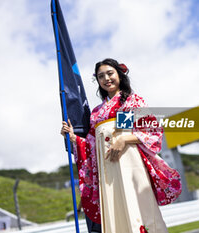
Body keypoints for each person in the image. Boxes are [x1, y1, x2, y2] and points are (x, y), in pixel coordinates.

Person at [61, 58, 182, 233]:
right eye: (101, 76)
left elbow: (152, 130)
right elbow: (92, 146)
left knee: (139, 205)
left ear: (119, 74)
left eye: (110, 73)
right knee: (114, 208)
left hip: (131, 164)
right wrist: (73, 138)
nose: (106, 79)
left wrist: (124, 139)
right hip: (107, 169)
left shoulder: (130, 102)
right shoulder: (96, 113)